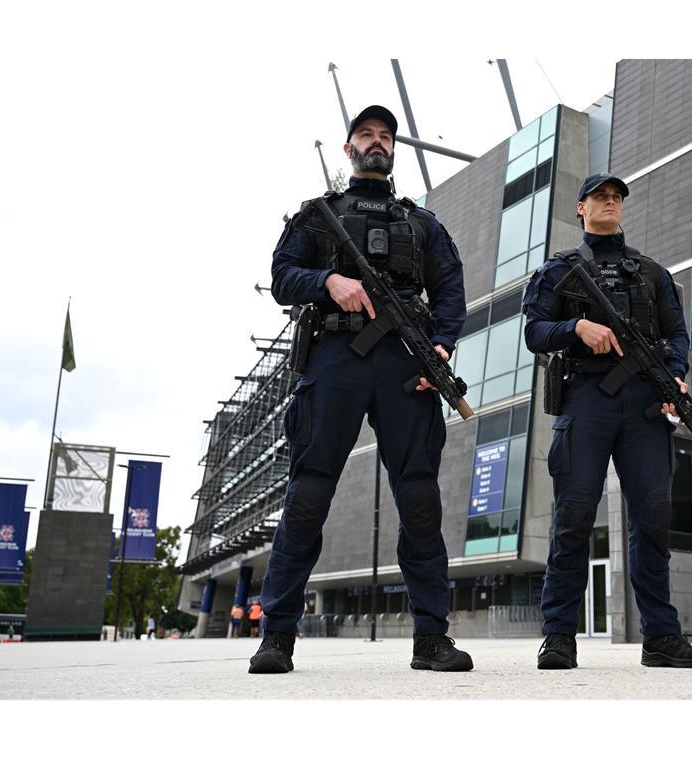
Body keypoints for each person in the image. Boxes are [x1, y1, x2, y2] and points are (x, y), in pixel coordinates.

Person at [250, 105, 472, 675]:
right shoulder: (318, 216)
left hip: (405, 362)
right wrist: (327, 280)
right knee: (307, 496)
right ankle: (276, 636)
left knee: (419, 499)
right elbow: (281, 276)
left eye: (385, 137)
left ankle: (431, 639)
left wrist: (442, 348)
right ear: (349, 148)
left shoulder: (422, 223)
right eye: (366, 135)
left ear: (394, 150)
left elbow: (450, 290)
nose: (377, 143)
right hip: (335, 357)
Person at [521, 172, 692, 669]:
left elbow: (676, 334)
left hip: (646, 406)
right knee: (574, 519)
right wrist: (577, 327)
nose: (609, 203)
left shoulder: (651, 272)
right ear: (581, 208)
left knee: (652, 519)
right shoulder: (559, 270)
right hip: (585, 398)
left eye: (616, 198)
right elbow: (535, 332)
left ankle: (661, 637)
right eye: (599, 197)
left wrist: (675, 378)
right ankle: (559, 636)